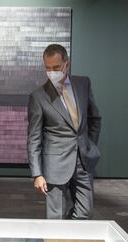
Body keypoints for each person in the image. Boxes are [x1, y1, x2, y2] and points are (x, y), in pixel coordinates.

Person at [28, 44, 101, 220]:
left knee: (85, 214)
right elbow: (34, 138)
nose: (52, 72)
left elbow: (95, 118)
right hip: (55, 164)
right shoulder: (38, 96)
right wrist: (37, 174)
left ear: (67, 64)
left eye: (56, 67)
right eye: (48, 68)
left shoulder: (83, 83)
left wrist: (89, 145)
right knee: (56, 218)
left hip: (83, 161)